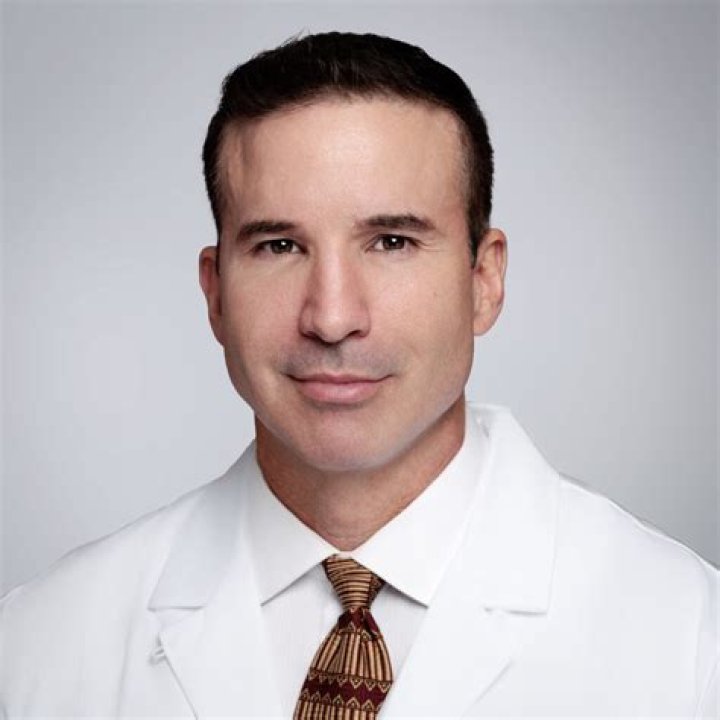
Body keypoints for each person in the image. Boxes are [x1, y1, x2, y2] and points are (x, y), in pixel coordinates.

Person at [0, 31, 716, 719]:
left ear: (484, 281)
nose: (333, 317)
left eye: (392, 242)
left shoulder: (689, 641)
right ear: (215, 294)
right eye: (279, 246)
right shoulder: (38, 646)